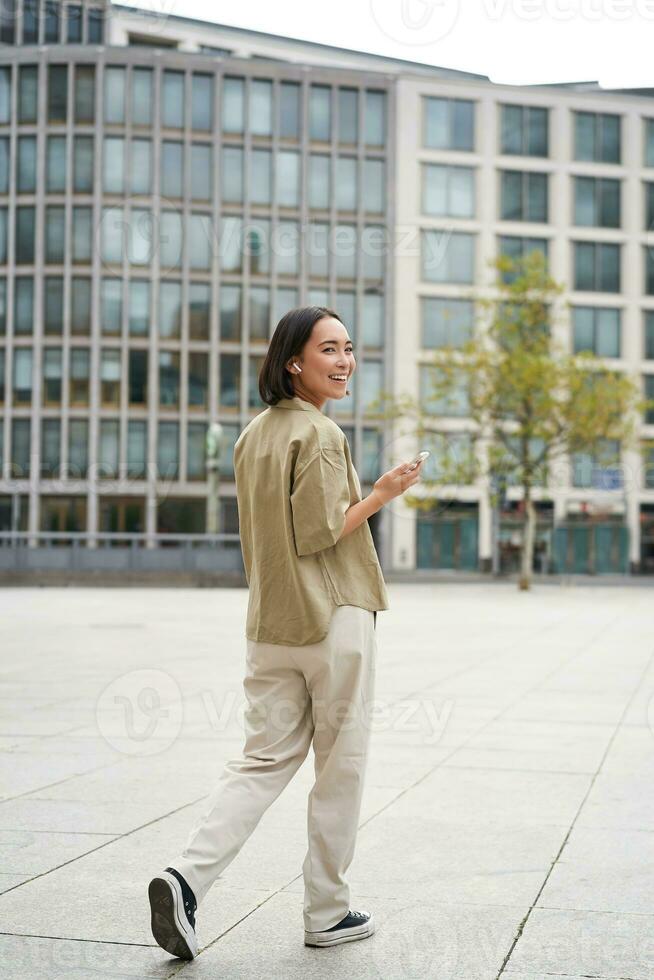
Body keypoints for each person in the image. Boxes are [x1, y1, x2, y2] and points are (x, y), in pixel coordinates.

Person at [148, 306, 424, 958]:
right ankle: (327, 912)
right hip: (333, 619)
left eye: (349, 348)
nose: (345, 360)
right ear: (294, 362)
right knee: (341, 766)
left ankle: (186, 880)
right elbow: (322, 530)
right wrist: (384, 492)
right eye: (329, 349)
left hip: (270, 622)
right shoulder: (321, 435)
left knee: (260, 763)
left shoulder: (251, 435)